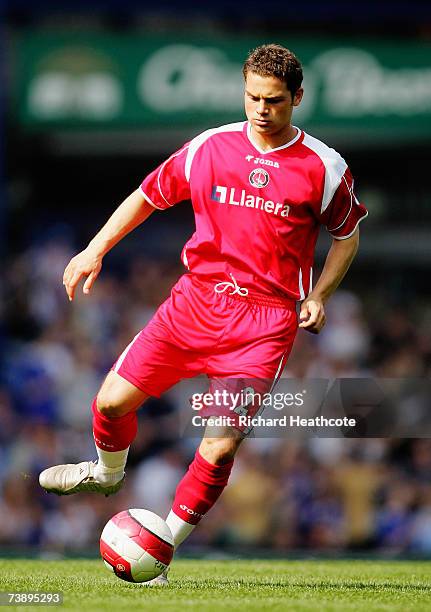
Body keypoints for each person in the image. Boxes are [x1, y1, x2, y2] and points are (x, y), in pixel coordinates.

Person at [39, 43, 368, 583]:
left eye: (275, 100)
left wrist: (320, 295)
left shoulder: (324, 168)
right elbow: (147, 195)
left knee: (218, 445)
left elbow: (347, 238)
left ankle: (160, 547)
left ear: (298, 98)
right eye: (253, 97)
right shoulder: (210, 147)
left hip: (263, 324)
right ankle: (105, 472)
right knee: (111, 403)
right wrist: (95, 248)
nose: (261, 109)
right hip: (194, 303)